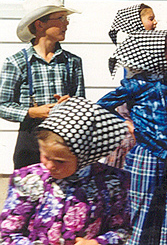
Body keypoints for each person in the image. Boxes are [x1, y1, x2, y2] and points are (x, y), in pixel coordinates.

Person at [97, 30, 167, 245]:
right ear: (156, 57)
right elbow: (101, 107)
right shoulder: (135, 85)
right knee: (142, 210)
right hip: (147, 156)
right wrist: (125, 123)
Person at [0, 96, 131, 244]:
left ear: (85, 157)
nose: (49, 165)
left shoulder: (112, 182)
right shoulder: (27, 180)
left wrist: (98, 242)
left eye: (60, 161)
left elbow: (124, 230)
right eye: (45, 155)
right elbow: (8, 234)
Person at [0, 0, 85, 169]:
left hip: (64, 142)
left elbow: (81, 103)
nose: (67, 23)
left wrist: (71, 104)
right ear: (40, 25)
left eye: (66, 18)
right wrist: (32, 112)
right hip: (30, 142)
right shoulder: (17, 62)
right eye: (61, 18)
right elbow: (2, 105)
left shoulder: (72, 62)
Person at [105, 3, 158, 168]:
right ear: (137, 22)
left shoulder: (151, 44)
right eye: (151, 19)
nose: (155, 22)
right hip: (133, 105)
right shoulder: (134, 47)